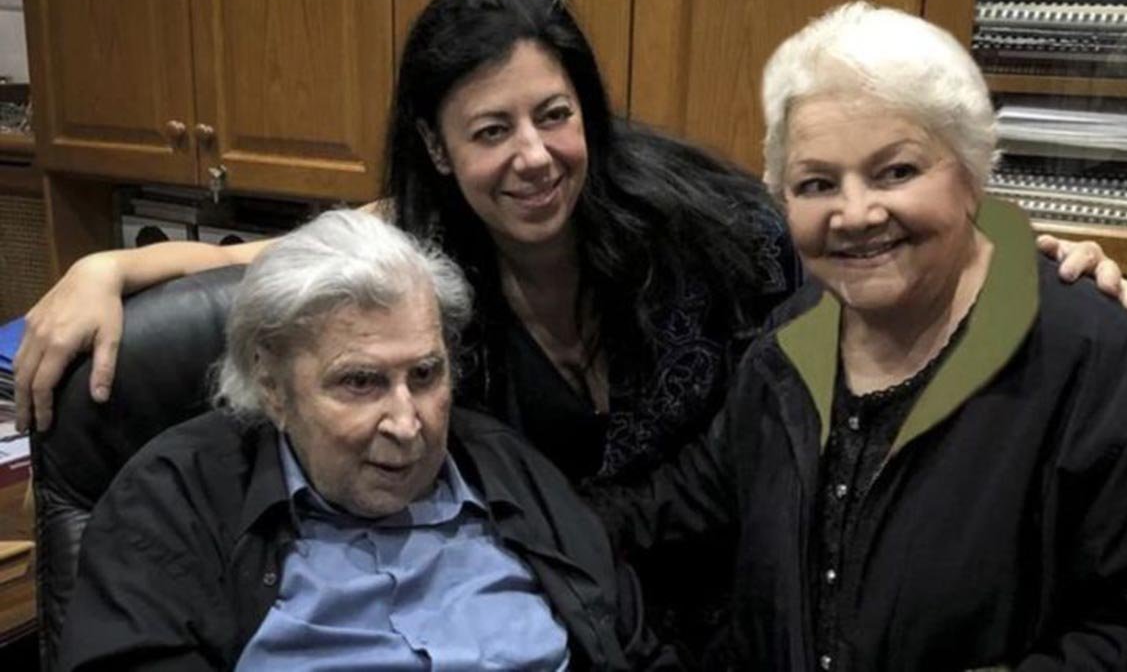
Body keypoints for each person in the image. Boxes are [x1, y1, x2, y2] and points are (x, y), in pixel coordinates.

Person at [17, 0, 1127, 662]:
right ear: (436, 150)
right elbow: (286, 268)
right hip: (578, 580)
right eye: (489, 130)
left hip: (741, 607)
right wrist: (118, 267)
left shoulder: (708, 222)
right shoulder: (417, 258)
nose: (534, 155)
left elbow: (866, 238)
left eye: (554, 114)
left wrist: (1011, 258)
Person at [589, 1, 1127, 670]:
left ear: (970, 172)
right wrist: (510, 512)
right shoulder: (789, 347)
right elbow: (676, 508)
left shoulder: (1103, 369)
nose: (855, 214)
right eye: (817, 183)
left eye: (897, 172)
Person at [58, 209, 672, 670]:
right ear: (272, 384)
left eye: (425, 375)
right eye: (360, 382)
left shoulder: (505, 466)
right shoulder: (175, 498)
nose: (407, 423)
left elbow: (636, 646)